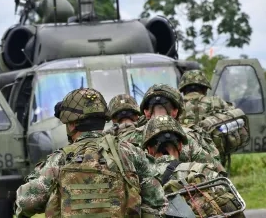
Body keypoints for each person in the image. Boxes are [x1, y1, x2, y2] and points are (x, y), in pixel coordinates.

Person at [14, 88, 168, 218]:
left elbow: (26, 202)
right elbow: (157, 201)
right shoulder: (130, 152)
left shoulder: (60, 159)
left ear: (73, 124)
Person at [141, 115, 246, 218]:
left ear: (149, 150)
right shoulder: (203, 172)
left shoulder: (138, 181)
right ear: (180, 146)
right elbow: (235, 210)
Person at [126, 84, 225, 172]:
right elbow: (217, 173)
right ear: (175, 112)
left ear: (146, 113)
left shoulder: (128, 141)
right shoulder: (192, 137)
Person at [178, 69, 249, 168]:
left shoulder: (175, 105)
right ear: (205, 89)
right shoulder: (216, 102)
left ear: (183, 89)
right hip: (215, 157)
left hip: (183, 158)